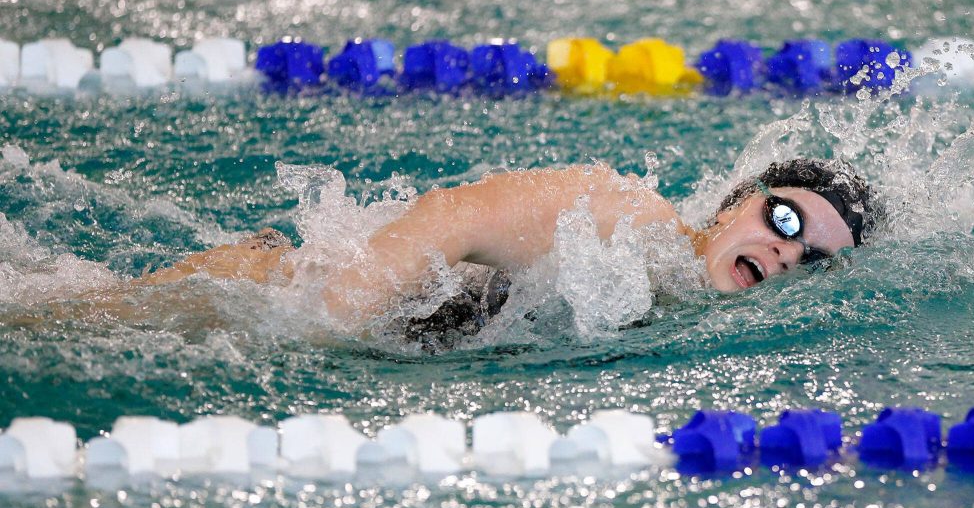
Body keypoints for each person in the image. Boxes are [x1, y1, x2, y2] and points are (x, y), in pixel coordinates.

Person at [136, 157, 877, 335]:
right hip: (257, 297)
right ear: (732, 208)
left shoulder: (684, 310)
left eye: (812, 258)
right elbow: (451, 214)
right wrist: (321, 322)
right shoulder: (630, 217)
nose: (787, 252)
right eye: (785, 222)